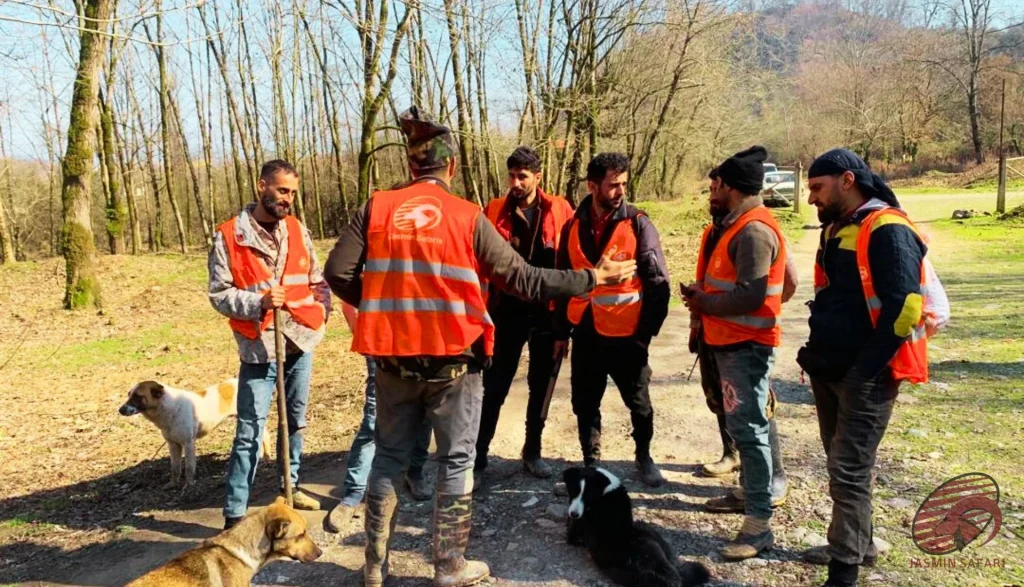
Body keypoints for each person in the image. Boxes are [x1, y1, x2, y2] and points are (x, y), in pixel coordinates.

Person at [323, 106, 637, 587]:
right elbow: (525, 279)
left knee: (388, 457)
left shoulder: (376, 207)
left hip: (392, 358)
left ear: (410, 164)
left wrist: (384, 304)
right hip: (453, 361)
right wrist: (593, 277)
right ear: (451, 166)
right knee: (454, 461)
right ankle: (449, 566)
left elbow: (337, 273)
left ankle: (374, 567)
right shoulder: (467, 216)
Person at [796, 148, 929, 587]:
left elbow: (906, 306)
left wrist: (865, 370)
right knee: (843, 465)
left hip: (865, 377)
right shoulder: (837, 227)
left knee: (848, 471)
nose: (811, 197)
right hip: (829, 368)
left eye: (818, 187)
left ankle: (844, 572)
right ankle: (858, 545)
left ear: (847, 180)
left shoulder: (888, 228)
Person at [208, 159, 330, 529]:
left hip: (300, 339)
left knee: (295, 421)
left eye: (292, 192)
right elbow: (219, 294)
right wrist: (257, 302)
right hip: (259, 347)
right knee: (249, 431)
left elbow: (316, 279)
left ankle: (290, 487)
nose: (287, 199)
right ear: (262, 186)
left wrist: (323, 310)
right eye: (281, 190)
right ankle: (235, 513)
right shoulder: (230, 235)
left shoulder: (296, 229)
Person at [681, 146, 788, 561]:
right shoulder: (736, 226)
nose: (713, 190)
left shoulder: (753, 230)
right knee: (744, 428)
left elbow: (752, 295)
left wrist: (704, 303)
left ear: (730, 186)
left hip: (746, 347)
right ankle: (749, 495)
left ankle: (758, 527)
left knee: (750, 431)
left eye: (717, 184)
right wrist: (705, 299)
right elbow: (776, 284)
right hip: (730, 342)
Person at [554, 152, 672, 488]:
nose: (620, 191)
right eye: (613, 185)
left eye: (623, 184)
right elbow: (561, 282)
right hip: (586, 332)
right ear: (592, 186)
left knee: (639, 403)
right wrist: (561, 331)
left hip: (627, 336)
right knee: (584, 402)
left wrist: (644, 335)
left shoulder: (638, 224)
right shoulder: (572, 227)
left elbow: (658, 284)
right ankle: (591, 463)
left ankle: (644, 456)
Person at [474, 146, 574, 482]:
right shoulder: (493, 210)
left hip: (547, 313)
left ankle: (532, 451)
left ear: (538, 177)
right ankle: (478, 456)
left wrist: (564, 326)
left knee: (541, 386)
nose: (515, 183)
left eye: (523, 176)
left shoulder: (560, 209)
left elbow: (569, 265)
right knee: (494, 386)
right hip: (505, 312)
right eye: (511, 176)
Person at [324, 301, 434, 537]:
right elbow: (347, 290)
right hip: (382, 342)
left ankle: (414, 472)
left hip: (427, 339)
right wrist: (362, 330)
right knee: (373, 421)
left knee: (424, 415)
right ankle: (353, 494)